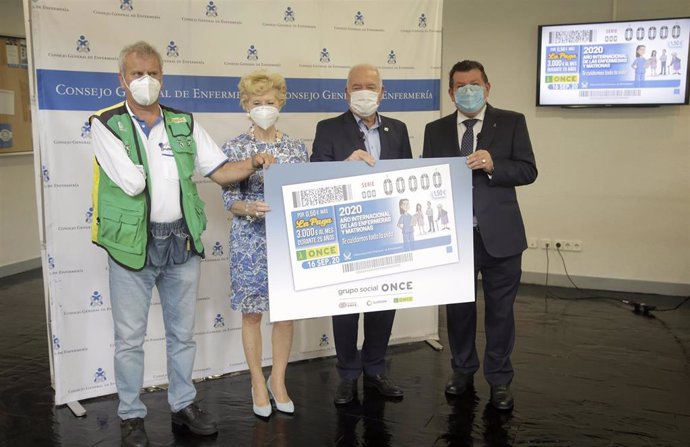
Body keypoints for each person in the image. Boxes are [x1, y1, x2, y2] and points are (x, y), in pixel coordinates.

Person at [90, 41, 274, 447]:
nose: (146, 81)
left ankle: (183, 404)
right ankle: (132, 415)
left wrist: (254, 162)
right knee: (130, 339)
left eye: (153, 73)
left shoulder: (182, 123)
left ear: (163, 77)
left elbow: (220, 171)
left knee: (181, 334)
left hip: (181, 242)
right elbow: (133, 182)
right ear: (122, 79)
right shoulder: (105, 123)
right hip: (131, 247)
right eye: (137, 74)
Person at [422, 60, 537, 411]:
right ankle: (462, 371)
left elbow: (528, 170)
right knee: (458, 311)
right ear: (450, 92)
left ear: (487, 87)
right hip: (453, 236)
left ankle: (500, 380)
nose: (467, 90)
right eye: (460, 85)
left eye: (474, 84)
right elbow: (428, 178)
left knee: (501, 312)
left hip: (501, 237)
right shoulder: (435, 129)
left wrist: (494, 165)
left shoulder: (512, 121)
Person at [310, 63, 412, 405]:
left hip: (388, 233)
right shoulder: (328, 128)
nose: (364, 92)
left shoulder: (398, 129)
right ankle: (348, 375)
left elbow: (408, 177)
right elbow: (314, 178)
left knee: (385, 301)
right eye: (357, 86)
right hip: (348, 233)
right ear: (346, 93)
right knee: (346, 307)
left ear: (383, 93)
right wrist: (343, 167)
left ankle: (375, 368)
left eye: (371, 86)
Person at [221, 69, 308, 418]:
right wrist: (248, 208)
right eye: (257, 102)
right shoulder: (235, 148)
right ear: (245, 105)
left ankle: (279, 380)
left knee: (285, 315)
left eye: (270, 101)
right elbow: (229, 200)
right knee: (253, 314)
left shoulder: (296, 148)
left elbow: (306, 193)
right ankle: (257, 381)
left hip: (287, 242)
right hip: (249, 242)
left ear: (280, 103)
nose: (264, 107)